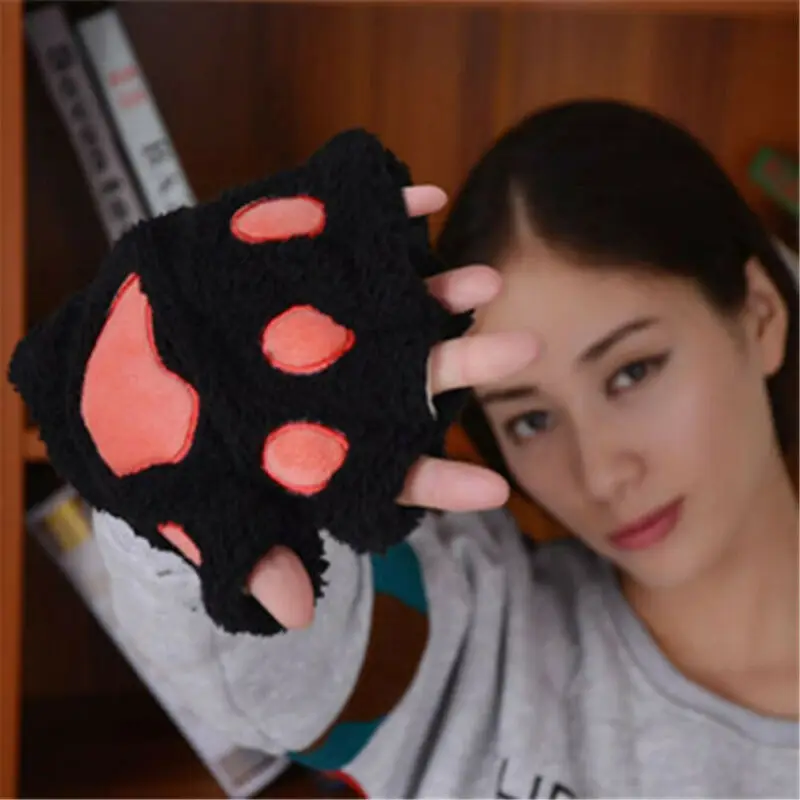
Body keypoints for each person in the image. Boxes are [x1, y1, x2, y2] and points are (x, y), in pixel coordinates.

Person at [92, 100, 799, 798]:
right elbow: (267, 667)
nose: (602, 472)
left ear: (761, 316)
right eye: (531, 420)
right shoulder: (472, 628)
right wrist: (190, 469)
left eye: (632, 372)